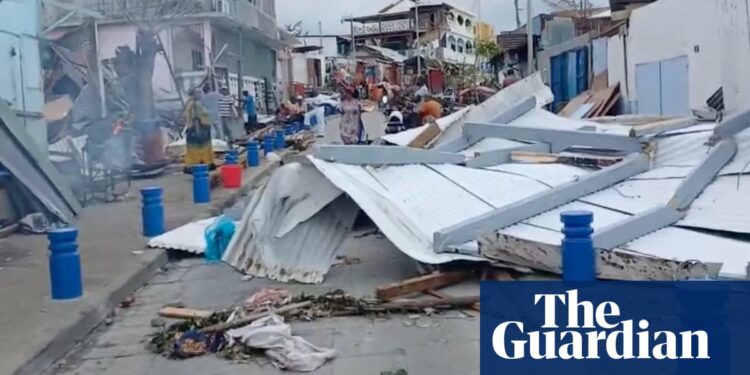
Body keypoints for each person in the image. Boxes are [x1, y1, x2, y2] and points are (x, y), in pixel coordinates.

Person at [184, 89, 213, 173]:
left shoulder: (193, 104)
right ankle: (200, 165)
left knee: (197, 149)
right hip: (199, 129)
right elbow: (196, 118)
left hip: (199, 129)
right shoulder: (195, 104)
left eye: (200, 93)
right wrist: (198, 131)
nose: (200, 94)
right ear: (193, 95)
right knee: (199, 149)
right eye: (198, 93)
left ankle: (196, 165)